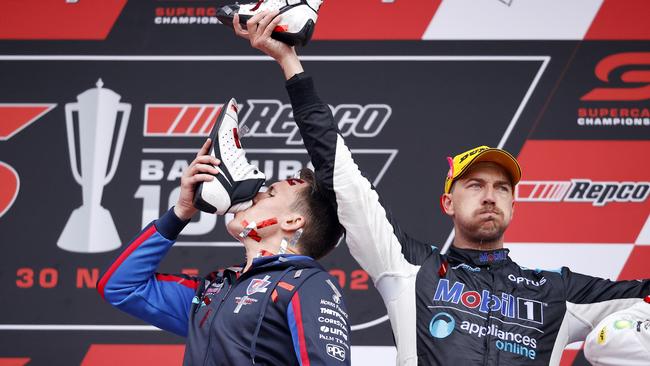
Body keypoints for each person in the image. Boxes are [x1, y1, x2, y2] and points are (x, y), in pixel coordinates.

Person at [233, 10, 650, 365]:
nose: (490, 196)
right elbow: (342, 177)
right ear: (448, 202)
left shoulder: (556, 291)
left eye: (502, 189)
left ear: (514, 205)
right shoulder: (412, 268)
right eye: (475, 185)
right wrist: (290, 63)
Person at [97, 99, 351, 365]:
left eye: (271, 192)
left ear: (292, 221)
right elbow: (121, 287)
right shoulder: (215, 288)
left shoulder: (307, 284)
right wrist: (182, 211)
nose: (256, 194)